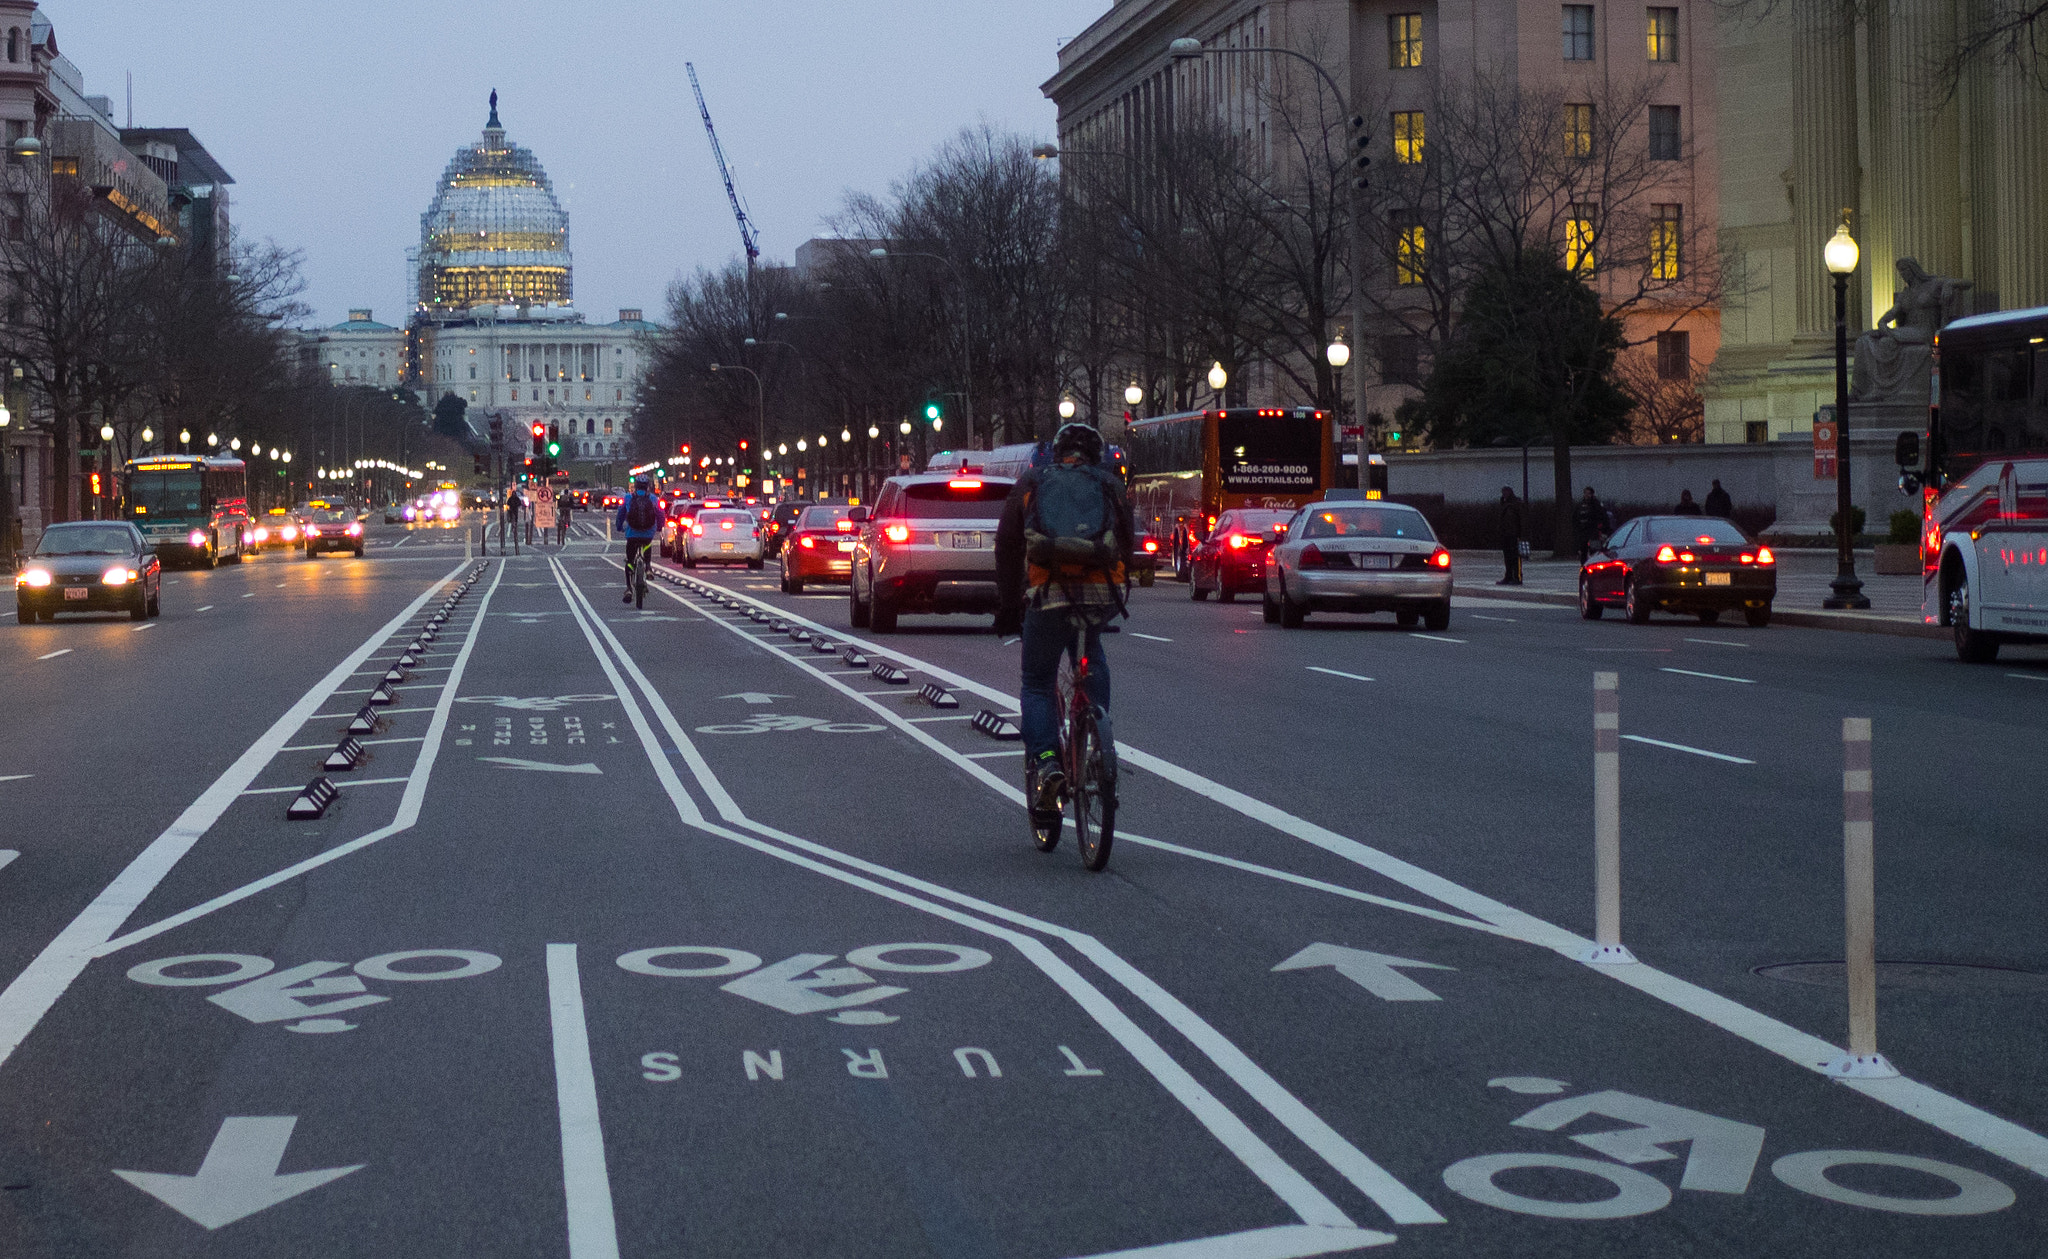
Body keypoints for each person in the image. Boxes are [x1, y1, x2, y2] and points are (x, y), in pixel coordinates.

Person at [994, 421, 1135, 818]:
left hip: (1049, 593)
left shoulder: (1032, 483)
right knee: (1091, 654)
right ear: (1097, 456)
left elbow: (1007, 546)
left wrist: (1007, 605)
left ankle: (1047, 764)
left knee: (1037, 682)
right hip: (1098, 594)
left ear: (1055, 454)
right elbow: (1127, 542)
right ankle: (1094, 740)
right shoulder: (1109, 485)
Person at [614, 476, 662, 602]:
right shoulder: (652, 498)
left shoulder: (629, 498)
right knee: (647, 545)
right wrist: (660, 527)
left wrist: (619, 527)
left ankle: (629, 588)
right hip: (648, 533)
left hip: (632, 534)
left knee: (629, 560)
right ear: (647, 486)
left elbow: (621, 513)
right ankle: (648, 567)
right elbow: (660, 513)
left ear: (635, 485)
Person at [1496, 487, 1524, 585]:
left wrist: (1521, 534)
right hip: (1506, 535)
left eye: (1506, 492)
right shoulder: (1504, 504)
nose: (1504, 494)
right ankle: (1508, 576)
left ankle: (1517, 577)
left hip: (1514, 534)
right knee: (1507, 557)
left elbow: (1521, 519)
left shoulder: (1515, 504)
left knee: (1515, 557)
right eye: (1503, 492)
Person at [1574, 486, 1606, 562]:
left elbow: (1601, 516)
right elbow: (1576, 517)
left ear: (1592, 494)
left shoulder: (1596, 504)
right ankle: (1583, 565)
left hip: (1593, 531)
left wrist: (1600, 528)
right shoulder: (1580, 505)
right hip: (1583, 531)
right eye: (1585, 493)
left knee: (1594, 550)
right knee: (1583, 550)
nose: (1587, 495)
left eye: (1588, 493)